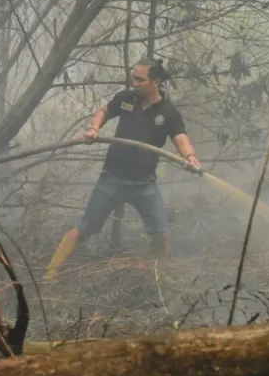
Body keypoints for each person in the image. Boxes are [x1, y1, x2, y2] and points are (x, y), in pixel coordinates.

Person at [44, 58, 202, 279]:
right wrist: (93, 129)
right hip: (112, 179)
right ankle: (49, 275)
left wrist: (190, 157)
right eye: (133, 79)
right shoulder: (125, 99)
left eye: (140, 79)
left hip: (144, 184)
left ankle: (151, 278)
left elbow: (181, 138)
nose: (135, 84)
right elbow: (103, 111)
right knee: (86, 227)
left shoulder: (168, 113)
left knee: (161, 235)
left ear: (155, 81)